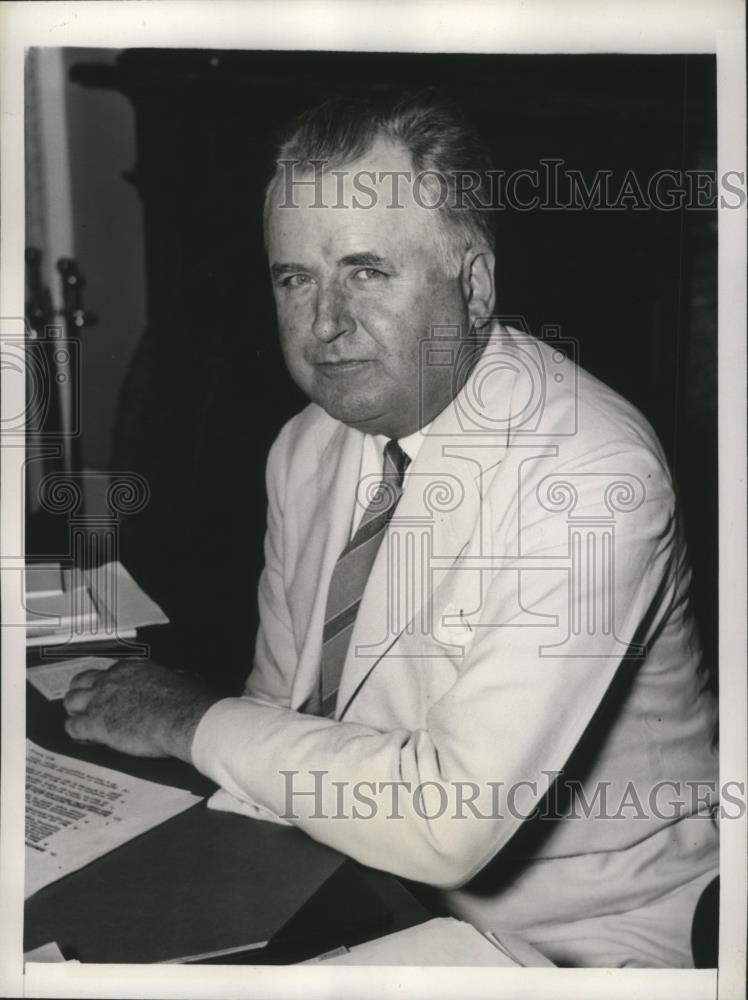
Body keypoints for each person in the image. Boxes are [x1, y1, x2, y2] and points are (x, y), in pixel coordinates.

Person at [63, 92, 719, 968]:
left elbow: (449, 821)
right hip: (356, 885)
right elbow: (281, 715)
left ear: (474, 285)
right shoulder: (305, 447)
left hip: (582, 942)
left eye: (367, 271)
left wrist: (187, 718)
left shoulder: (592, 475)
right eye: (296, 278)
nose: (325, 324)